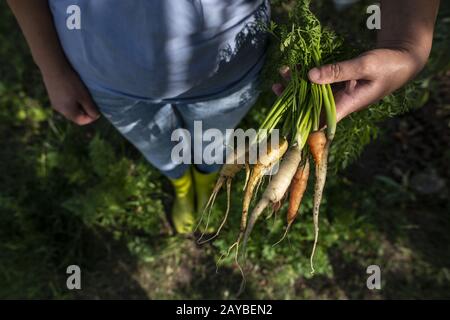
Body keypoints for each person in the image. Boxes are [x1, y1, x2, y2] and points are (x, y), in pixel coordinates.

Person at [7, 0, 440, 234]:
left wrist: (408, 39)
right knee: (158, 146)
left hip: (227, 75)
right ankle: (181, 182)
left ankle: (208, 175)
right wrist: (51, 65)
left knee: (210, 142)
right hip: (107, 77)